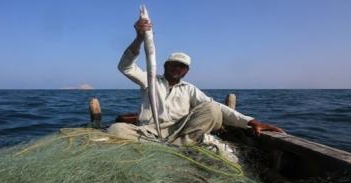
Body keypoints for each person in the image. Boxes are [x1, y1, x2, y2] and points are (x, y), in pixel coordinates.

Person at [107, 17, 284, 148]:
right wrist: (139, 38)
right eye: (174, 64)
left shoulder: (190, 89)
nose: (178, 68)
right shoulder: (150, 80)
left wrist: (250, 121)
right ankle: (176, 145)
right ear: (165, 65)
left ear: (187, 71)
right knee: (115, 129)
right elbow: (125, 67)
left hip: (180, 131)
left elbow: (219, 108)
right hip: (149, 131)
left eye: (182, 66)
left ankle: (177, 143)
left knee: (213, 108)